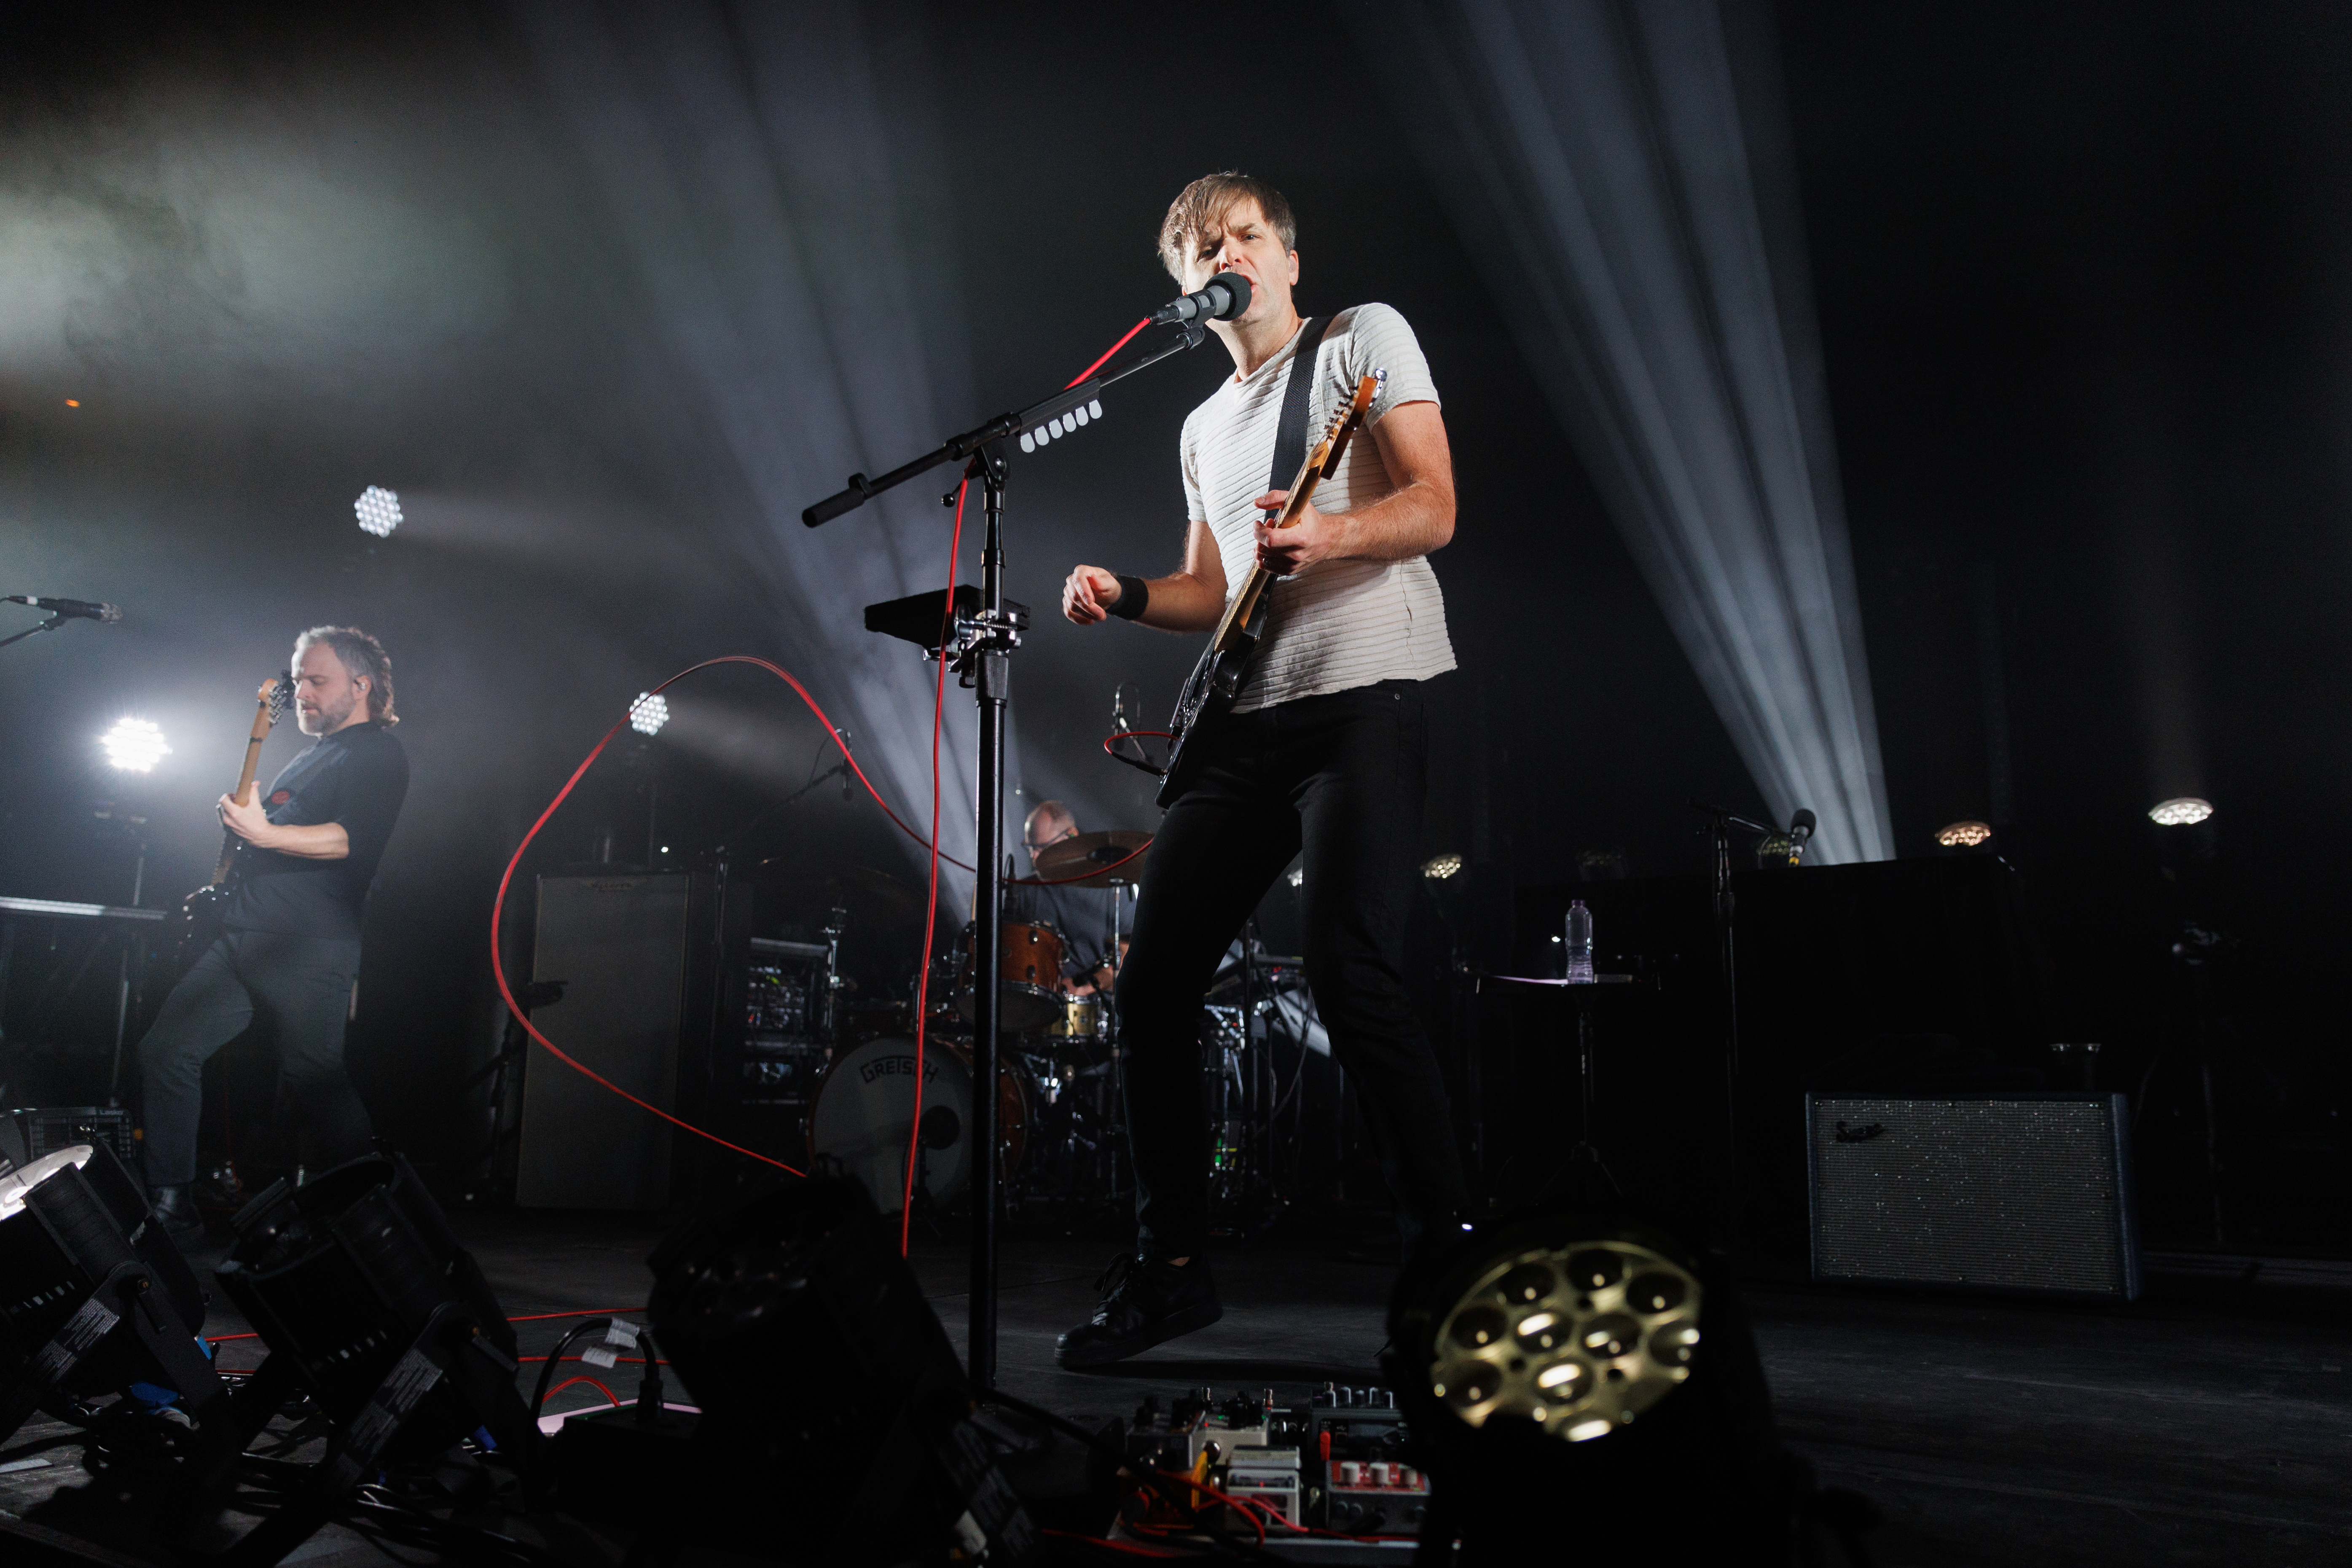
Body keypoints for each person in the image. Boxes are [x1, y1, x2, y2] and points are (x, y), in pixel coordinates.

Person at [1053, 173, 1469, 1367]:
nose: (1218, 253)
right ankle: (1172, 1268)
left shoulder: (1359, 340)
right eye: (1194, 247)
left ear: (1284, 257)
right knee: (1149, 991)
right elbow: (1214, 588)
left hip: (1364, 697)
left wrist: (1328, 530)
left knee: (1352, 976)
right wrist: (1127, 595)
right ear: (1182, 289)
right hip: (1244, 722)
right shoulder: (1200, 428)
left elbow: (1434, 507)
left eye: (1239, 235)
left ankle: (1446, 1265)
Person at [137, 627, 409, 1240]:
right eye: (299, 680)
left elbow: (350, 840)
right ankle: (172, 1205)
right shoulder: (311, 754)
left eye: (318, 680)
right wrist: (242, 843)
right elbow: (274, 833)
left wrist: (264, 834)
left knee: (315, 1078)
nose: (303, 692)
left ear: (361, 686)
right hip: (242, 933)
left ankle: (374, 1218)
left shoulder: (376, 754)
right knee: (166, 1053)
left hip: (307, 944)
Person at [1007, 799, 1123, 995]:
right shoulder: (1024, 890)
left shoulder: (1110, 885)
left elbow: (1127, 955)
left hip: (1091, 1009)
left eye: (1043, 847)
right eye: (1030, 847)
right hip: (1034, 1002)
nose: (1035, 857)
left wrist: (1084, 988)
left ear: (1071, 836)